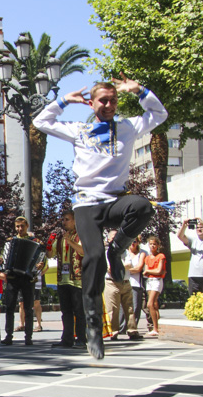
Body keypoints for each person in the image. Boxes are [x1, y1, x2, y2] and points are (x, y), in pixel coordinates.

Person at [33, 74, 168, 359]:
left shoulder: (128, 126)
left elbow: (159, 114)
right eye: (103, 100)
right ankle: (94, 327)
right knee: (92, 258)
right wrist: (61, 101)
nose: (108, 104)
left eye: (113, 100)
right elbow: (41, 122)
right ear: (92, 103)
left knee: (143, 206)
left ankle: (117, 248)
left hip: (115, 201)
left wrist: (141, 90)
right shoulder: (79, 129)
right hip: (87, 204)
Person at [1, 217, 45, 346]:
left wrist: (40, 264)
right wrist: (1, 260)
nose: (20, 229)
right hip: (12, 278)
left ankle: (28, 336)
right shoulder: (10, 241)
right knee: (9, 307)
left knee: (28, 308)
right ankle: (8, 335)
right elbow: (4, 255)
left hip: (27, 278)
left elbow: (42, 258)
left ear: (27, 226)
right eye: (17, 226)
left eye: (22, 226)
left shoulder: (35, 242)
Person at [48, 210, 86, 349]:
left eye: (67, 219)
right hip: (62, 280)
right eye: (63, 219)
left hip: (77, 279)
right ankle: (67, 339)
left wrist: (70, 242)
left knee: (79, 311)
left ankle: (81, 338)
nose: (64, 222)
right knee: (66, 312)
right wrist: (48, 243)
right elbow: (50, 254)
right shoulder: (60, 238)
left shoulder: (80, 235)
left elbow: (83, 251)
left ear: (75, 221)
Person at [104, 230, 142, 341]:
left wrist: (118, 266)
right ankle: (114, 332)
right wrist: (121, 266)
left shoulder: (124, 251)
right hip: (112, 283)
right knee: (113, 309)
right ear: (109, 239)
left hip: (125, 282)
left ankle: (132, 330)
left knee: (129, 308)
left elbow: (129, 264)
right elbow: (109, 268)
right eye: (113, 237)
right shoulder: (106, 252)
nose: (115, 239)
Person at [123, 237, 147, 336]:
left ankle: (133, 328)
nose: (132, 243)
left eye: (135, 241)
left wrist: (125, 269)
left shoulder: (142, 253)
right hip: (124, 282)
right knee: (123, 308)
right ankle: (122, 328)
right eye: (131, 242)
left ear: (138, 242)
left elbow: (138, 268)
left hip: (136, 284)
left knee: (135, 307)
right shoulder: (124, 252)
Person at [143, 236, 166, 337]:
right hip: (150, 281)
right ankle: (157, 326)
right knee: (154, 304)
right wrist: (149, 272)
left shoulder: (161, 256)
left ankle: (155, 328)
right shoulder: (147, 258)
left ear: (158, 246)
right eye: (151, 244)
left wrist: (149, 271)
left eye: (154, 244)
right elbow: (145, 272)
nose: (152, 246)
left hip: (157, 280)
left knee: (149, 304)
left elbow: (159, 271)